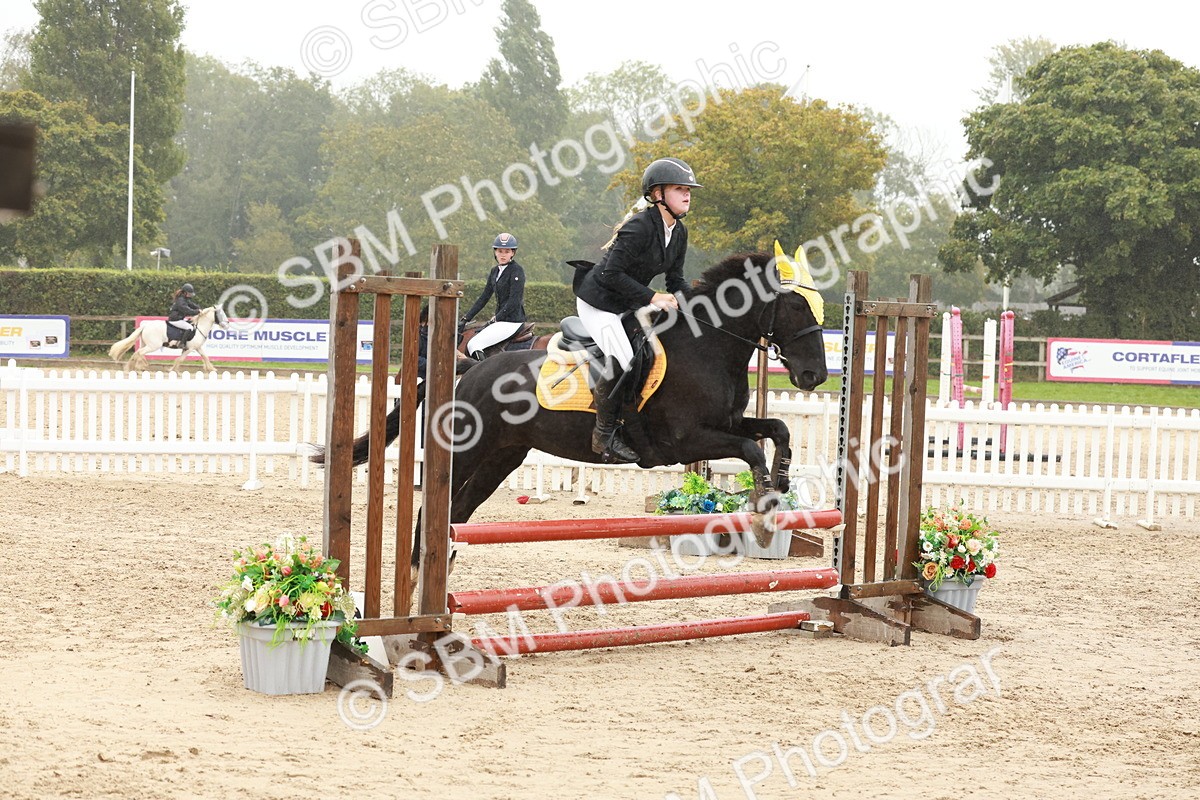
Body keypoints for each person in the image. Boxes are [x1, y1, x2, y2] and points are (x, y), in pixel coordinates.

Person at [573, 157, 701, 463]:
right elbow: (609, 275)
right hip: (598, 303)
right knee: (625, 358)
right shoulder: (640, 227)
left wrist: (697, 307)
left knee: (648, 352)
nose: (687, 194)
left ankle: (632, 424)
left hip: (627, 303)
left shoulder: (678, 232)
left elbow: (676, 278)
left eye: (689, 190)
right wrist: (654, 297)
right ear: (658, 195)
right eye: (679, 188)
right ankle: (603, 437)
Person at [459, 232, 527, 360]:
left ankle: (483, 374)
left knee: (474, 344)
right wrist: (466, 318)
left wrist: (496, 318)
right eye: (500, 251)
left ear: (513, 253)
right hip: (501, 321)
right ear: (495, 252)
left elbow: (514, 301)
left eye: (507, 251)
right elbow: (484, 297)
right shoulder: (494, 271)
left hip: (512, 321)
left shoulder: (517, 270)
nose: (503, 254)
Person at [166, 283, 201, 347]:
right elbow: (187, 310)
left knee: (190, 322)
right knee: (190, 327)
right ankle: (182, 344)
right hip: (175, 319)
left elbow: (191, 304)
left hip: (179, 318)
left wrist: (199, 308)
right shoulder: (181, 301)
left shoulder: (185, 299)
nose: (190, 295)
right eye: (189, 293)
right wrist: (197, 311)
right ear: (185, 293)